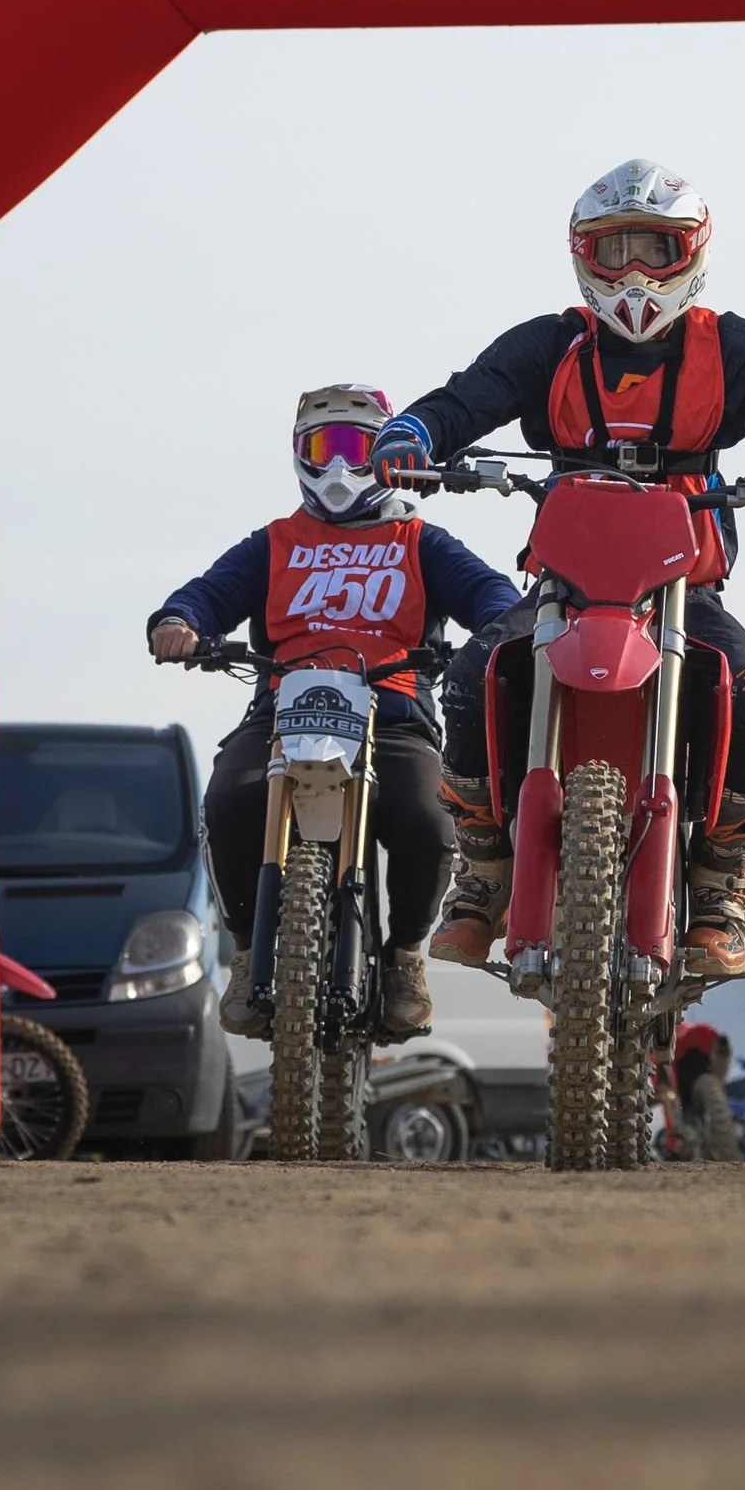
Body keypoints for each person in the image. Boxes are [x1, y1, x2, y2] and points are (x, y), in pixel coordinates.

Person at [373, 159, 745, 986]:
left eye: (656, 247)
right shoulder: (551, 342)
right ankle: (486, 870)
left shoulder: (734, 346)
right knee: (471, 676)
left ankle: (718, 890)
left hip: (685, 587)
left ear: (694, 252)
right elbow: (465, 397)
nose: (636, 272)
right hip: (565, 582)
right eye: (615, 251)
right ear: (583, 256)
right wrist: (413, 435)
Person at [148, 384, 521, 1042]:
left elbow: (489, 591)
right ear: (300, 455)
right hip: (281, 710)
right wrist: (178, 621)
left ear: (385, 454)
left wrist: (501, 630)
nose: (342, 465)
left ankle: (405, 954)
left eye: (359, 446)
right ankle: (243, 950)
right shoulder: (276, 542)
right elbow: (206, 594)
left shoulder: (419, 538)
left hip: (394, 711)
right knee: (230, 801)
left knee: (427, 818)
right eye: (325, 447)